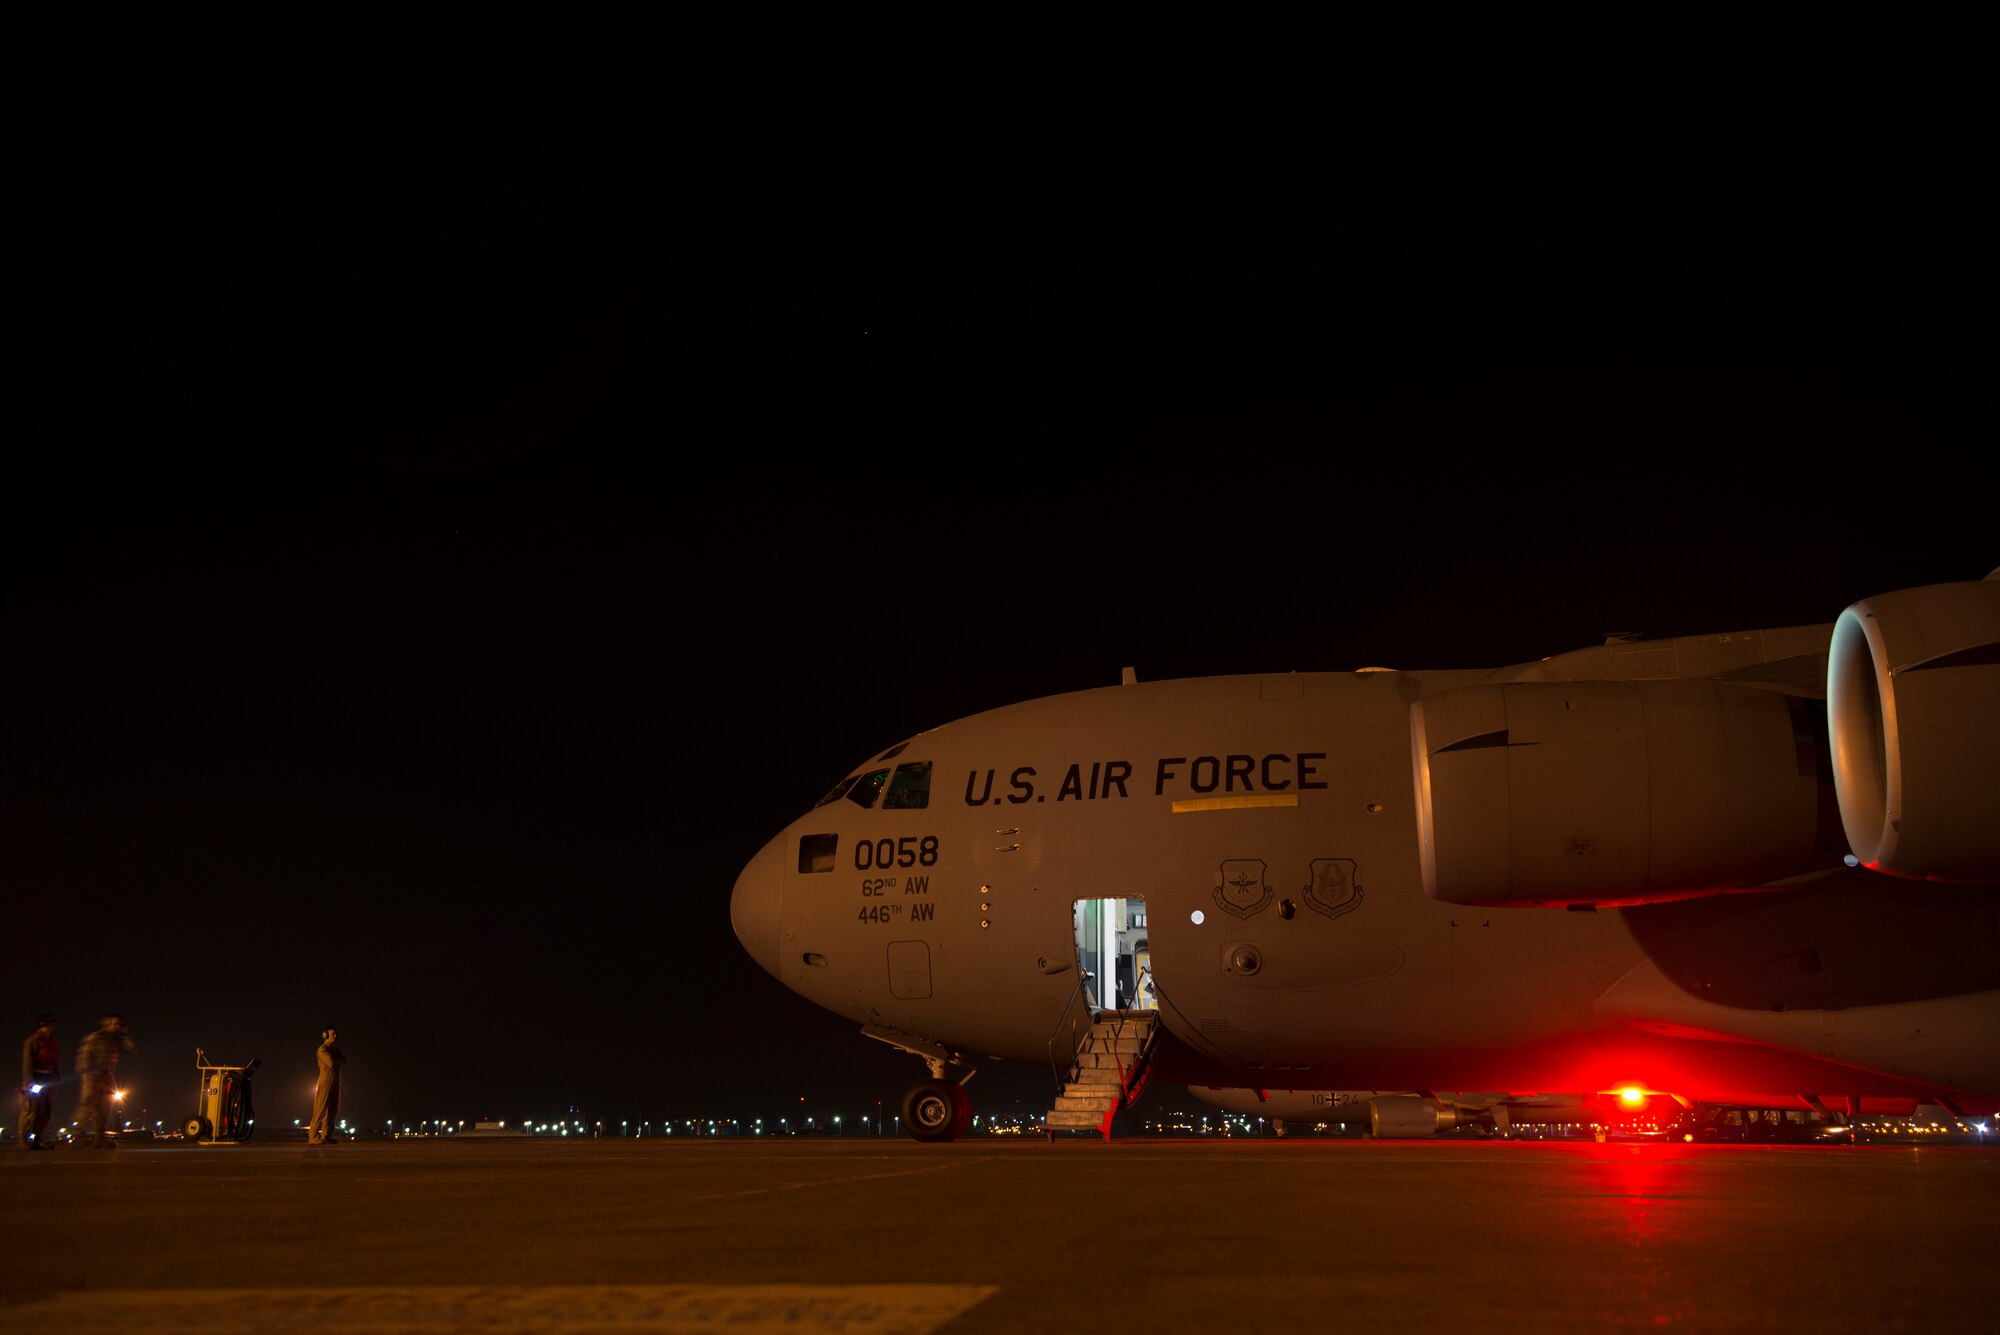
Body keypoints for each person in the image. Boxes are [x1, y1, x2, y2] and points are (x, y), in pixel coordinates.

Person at [73, 1014, 136, 1147]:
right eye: (115, 1024)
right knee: (88, 1104)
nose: (118, 1027)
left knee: (105, 1107)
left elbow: (132, 1049)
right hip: (93, 1075)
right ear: (106, 1024)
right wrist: (90, 1074)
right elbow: (83, 1058)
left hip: (107, 1075)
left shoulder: (116, 1040)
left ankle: (98, 1137)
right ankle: (79, 1136)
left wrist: (125, 1035)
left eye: (119, 1024)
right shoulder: (94, 1038)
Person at [19, 1013, 60, 1150]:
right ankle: (23, 1139)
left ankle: (38, 1139)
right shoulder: (33, 1040)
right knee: (31, 1109)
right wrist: (28, 1082)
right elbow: (28, 1062)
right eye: (51, 1024)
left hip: (49, 1079)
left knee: (45, 1111)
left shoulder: (52, 1042)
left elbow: (55, 1063)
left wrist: (56, 1080)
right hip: (36, 1078)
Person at [308, 1026, 345, 1145]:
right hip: (325, 1083)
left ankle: (326, 1136)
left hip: (335, 1083)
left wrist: (338, 1060)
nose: (335, 1036)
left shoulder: (335, 1050)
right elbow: (331, 1063)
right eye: (333, 1034)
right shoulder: (322, 1049)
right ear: (325, 1035)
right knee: (320, 1110)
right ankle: (313, 1137)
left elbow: (345, 1060)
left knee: (332, 1111)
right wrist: (338, 1060)